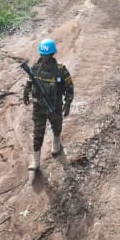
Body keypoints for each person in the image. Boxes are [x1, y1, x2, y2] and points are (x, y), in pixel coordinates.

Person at [22, 39, 74, 173]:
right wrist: (26, 93)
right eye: (42, 55)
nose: (44, 58)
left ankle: (56, 141)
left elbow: (69, 87)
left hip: (54, 107)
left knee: (57, 127)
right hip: (38, 108)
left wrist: (68, 103)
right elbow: (30, 81)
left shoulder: (60, 71)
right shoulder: (36, 68)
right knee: (37, 134)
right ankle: (36, 161)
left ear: (52, 54)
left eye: (47, 55)